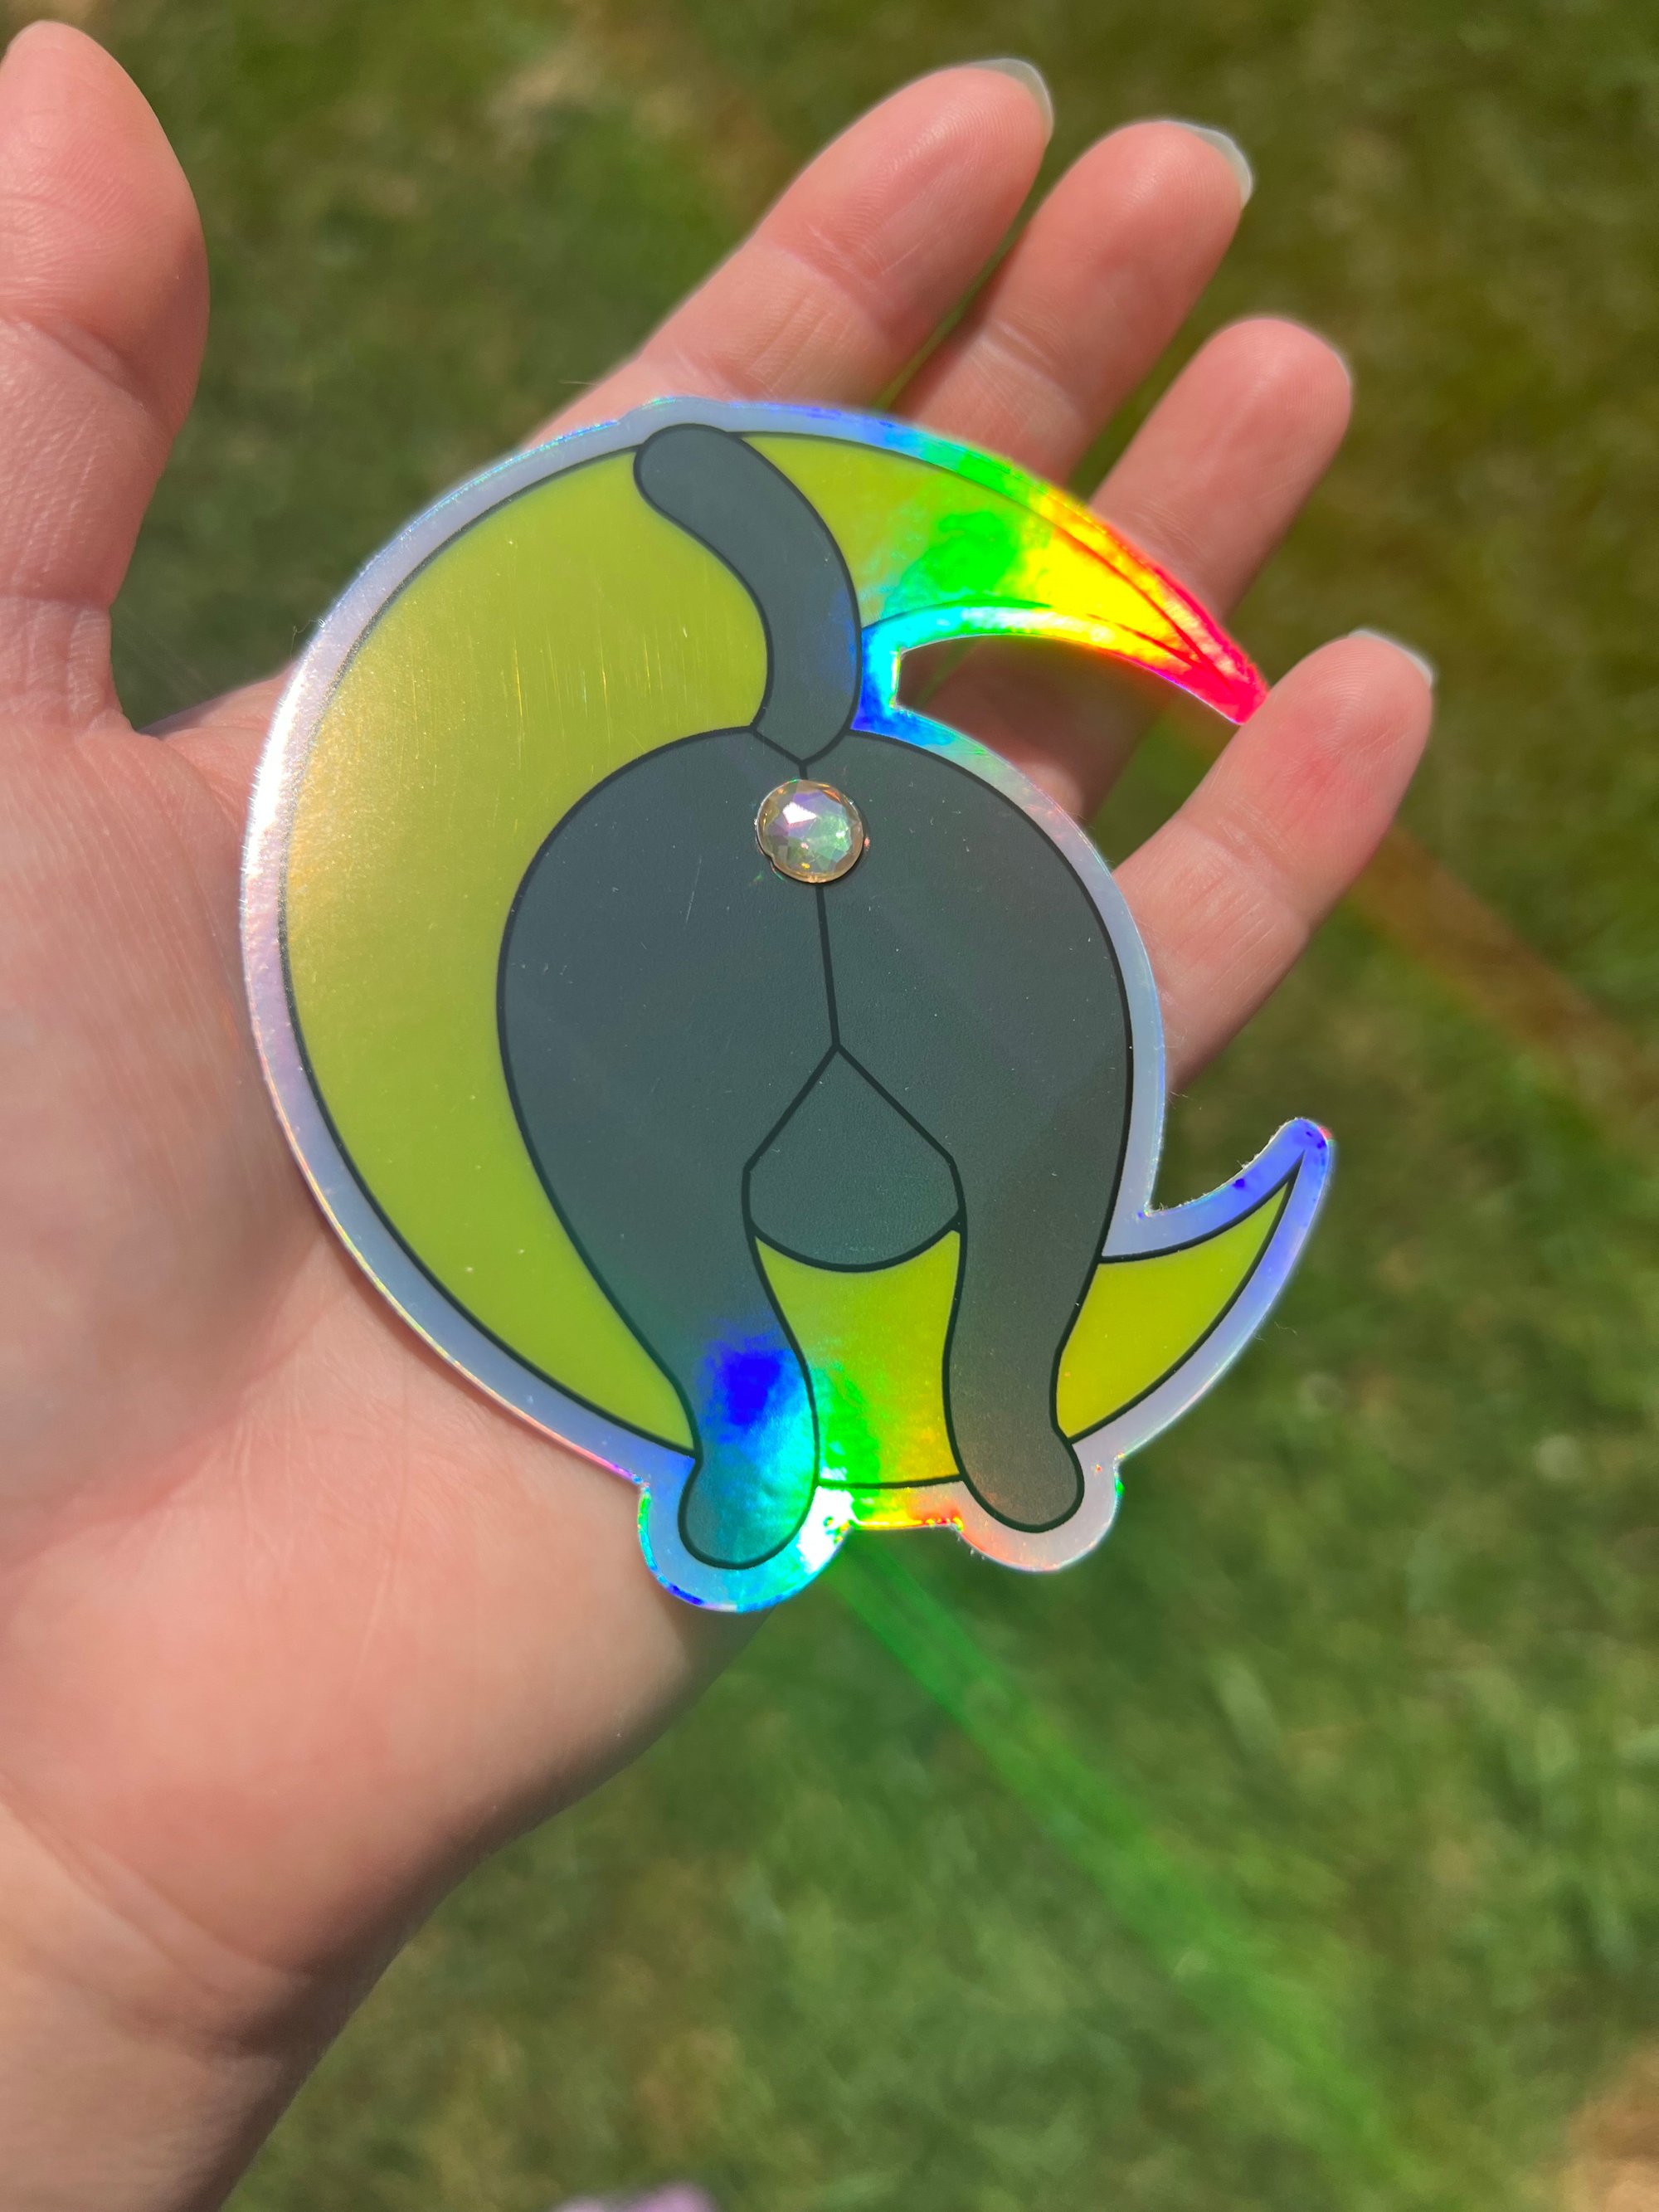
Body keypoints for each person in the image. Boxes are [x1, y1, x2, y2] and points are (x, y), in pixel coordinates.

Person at [0, 22, 1433, 2209]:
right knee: (826, 1180)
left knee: (968, 1140)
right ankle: (829, 1406)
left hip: (775, 960)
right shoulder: (604, 957)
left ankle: (920, 1391)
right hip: (668, 985)